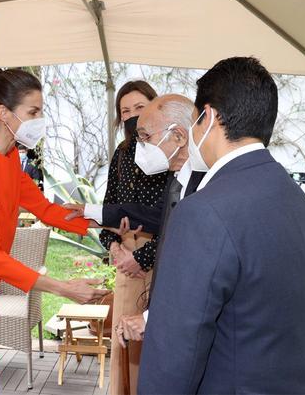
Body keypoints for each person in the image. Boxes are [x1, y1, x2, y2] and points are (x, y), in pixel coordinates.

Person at [137, 57, 305, 394]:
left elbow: (176, 345)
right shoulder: (295, 198)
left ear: (208, 117)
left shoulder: (202, 211)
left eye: (196, 120)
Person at [0, 66, 108, 395]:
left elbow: (46, 210)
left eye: (41, 111)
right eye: (33, 112)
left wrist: (107, 219)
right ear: (4, 113)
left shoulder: (7, 159)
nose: (40, 119)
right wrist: (63, 287)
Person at [69, 95, 206, 344]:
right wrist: (92, 212)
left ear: (178, 136)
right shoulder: (178, 176)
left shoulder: (205, 182)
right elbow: (154, 216)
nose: (140, 145)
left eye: (145, 137)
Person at [95, 80, 168, 394]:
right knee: (124, 344)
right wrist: (115, 248)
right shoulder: (121, 155)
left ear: (155, 107)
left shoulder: (172, 155)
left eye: (140, 107)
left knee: (157, 342)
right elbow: (107, 216)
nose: (133, 116)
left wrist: (142, 257)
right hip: (124, 264)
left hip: (162, 259)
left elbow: (174, 220)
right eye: (125, 111)